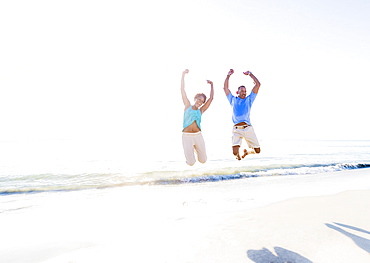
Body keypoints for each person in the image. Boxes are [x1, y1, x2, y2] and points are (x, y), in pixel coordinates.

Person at [223, 69, 261, 160]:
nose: (244, 93)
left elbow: (258, 85)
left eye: (245, 91)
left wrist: (250, 74)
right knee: (234, 152)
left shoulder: (249, 100)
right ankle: (238, 155)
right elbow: (225, 88)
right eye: (242, 91)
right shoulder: (232, 99)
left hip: (248, 128)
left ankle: (247, 152)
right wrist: (228, 75)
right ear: (237, 92)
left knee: (257, 151)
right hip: (236, 129)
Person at [181, 69, 214, 166]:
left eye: (202, 101)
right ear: (195, 99)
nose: (200, 102)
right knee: (191, 163)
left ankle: (196, 147)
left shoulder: (201, 111)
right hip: (186, 136)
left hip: (198, 135)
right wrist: (183, 75)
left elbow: (211, 99)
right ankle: (191, 149)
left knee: (203, 160)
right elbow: (182, 90)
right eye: (199, 99)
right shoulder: (187, 106)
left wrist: (212, 85)